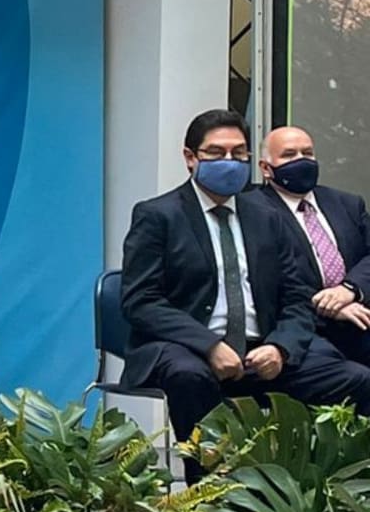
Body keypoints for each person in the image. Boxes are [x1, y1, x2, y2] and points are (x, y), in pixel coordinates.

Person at [120, 109, 370, 475]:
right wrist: (209, 345)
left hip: (263, 348)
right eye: (216, 153)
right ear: (190, 158)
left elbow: (296, 296)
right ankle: (206, 500)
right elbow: (140, 301)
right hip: (190, 347)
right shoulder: (158, 215)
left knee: (357, 380)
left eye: (239, 154)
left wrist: (281, 347)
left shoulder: (265, 214)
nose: (230, 162)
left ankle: (341, 491)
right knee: (189, 377)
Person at [256, 125, 370, 364]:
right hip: (298, 326)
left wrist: (349, 290)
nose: (301, 160)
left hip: (359, 313)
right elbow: (265, 278)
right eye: (289, 155)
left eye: (307, 153)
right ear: (266, 168)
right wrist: (328, 305)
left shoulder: (347, 203)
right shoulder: (253, 210)